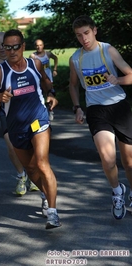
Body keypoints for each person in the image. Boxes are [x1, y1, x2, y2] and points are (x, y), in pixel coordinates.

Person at [0, 29, 61, 229]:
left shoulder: (34, 64)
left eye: (15, 46)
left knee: (43, 163)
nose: (10, 51)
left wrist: (51, 93)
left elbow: (45, 80)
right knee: (32, 169)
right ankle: (44, 193)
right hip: (16, 126)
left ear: (23, 47)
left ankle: (52, 212)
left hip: (39, 119)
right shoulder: (0, 72)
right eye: (6, 47)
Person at [69, 15, 132, 220]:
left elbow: (130, 75)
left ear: (94, 30)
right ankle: (117, 192)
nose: (84, 39)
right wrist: (77, 107)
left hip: (119, 107)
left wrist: (118, 79)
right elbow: (73, 84)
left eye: (86, 33)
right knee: (107, 158)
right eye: (79, 35)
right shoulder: (76, 59)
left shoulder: (108, 50)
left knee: (129, 161)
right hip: (96, 110)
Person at [0, 31, 38, 196]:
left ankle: (33, 174)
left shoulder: (23, 63)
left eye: (3, 45)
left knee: (33, 143)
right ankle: (21, 175)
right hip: (5, 111)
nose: (1, 49)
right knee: (11, 144)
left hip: (27, 110)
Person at [30, 39, 58, 121]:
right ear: (35, 46)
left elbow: (55, 58)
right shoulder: (33, 56)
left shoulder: (47, 54)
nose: (39, 47)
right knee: (38, 95)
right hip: (38, 79)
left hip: (48, 78)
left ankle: (51, 110)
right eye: (37, 45)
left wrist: (55, 69)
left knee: (50, 94)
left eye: (40, 45)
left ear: (43, 45)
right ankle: (39, 113)